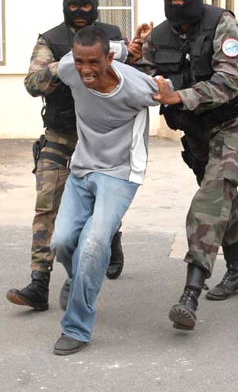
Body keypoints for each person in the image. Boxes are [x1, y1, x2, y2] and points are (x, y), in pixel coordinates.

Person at [131, 0, 238, 331]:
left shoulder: (223, 24)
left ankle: (191, 292)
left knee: (211, 196)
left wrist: (179, 96)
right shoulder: (158, 37)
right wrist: (130, 58)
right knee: (221, 196)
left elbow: (230, 80)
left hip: (233, 121)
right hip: (196, 129)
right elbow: (143, 81)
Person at [7, 0, 128, 313]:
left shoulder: (111, 35)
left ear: (96, 7)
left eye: (86, 7)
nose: (80, 13)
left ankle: (112, 236)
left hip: (102, 137)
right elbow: (33, 82)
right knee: (47, 205)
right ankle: (39, 283)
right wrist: (67, 64)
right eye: (74, 7)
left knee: (100, 205)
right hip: (62, 135)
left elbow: (132, 70)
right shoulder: (50, 39)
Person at [50, 26, 161, 355]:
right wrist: (129, 46)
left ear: (108, 59)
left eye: (93, 62)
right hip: (82, 168)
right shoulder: (69, 68)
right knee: (61, 242)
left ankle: (76, 327)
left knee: (93, 244)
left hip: (121, 172)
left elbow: (170, 93)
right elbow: (100, 52)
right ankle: (79, 279)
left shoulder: (137, 87)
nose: (85, 70)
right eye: (80, 61)